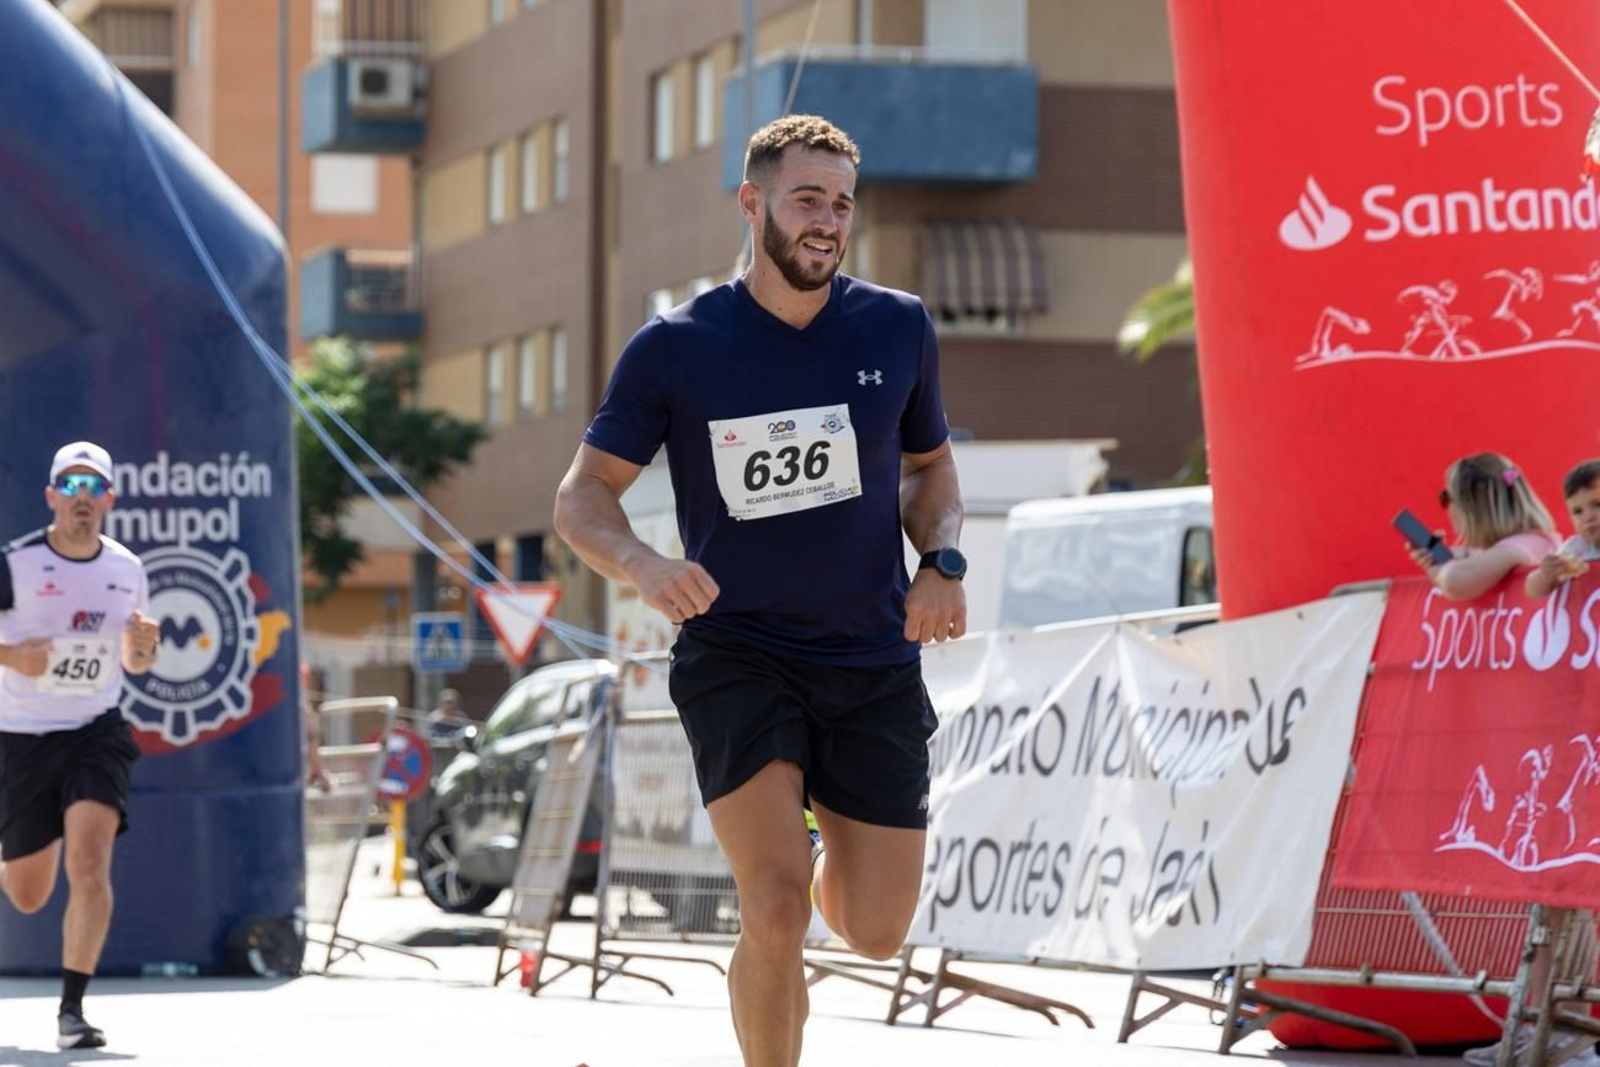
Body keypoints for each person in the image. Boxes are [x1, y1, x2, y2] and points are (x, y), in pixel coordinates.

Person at [553, 114, 965, 1067]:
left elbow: (931, 469)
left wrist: (940, 559)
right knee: (773, 910)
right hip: (737, 653)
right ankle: (779, 909)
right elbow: (582, 497)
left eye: (842, 205)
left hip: (869, 658)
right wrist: (645, 564)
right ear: (752, 203)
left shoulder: (897, 325)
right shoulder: (677, 345)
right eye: (806, 199)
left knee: (875, 931)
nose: (828, 221)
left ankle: (809, 877)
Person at [1403, 455, 1594, 1066]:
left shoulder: (1529, 545)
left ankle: (1567, 1033)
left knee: (1570, 896)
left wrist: (1442, 569)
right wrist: (1443, 563)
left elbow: (1463, 583)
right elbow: (1477, 575)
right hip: (1550, 745)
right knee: (1550, 900)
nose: (1588, 517)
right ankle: (1540, 1030)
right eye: (1582, 508)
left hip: (1568, 740)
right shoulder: (1546, 549)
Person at [0, 442, 159, 1050]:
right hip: (22, 736)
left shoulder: (127, 568)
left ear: (109, 499)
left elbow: (135, 662)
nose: (82, 497)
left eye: (93, 486)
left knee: (90, 862)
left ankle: (72, 1011)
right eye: (70, 485)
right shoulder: (15, 563)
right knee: (28, 894)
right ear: (51, 497)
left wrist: (144, 647)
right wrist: (14, 656)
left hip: (96, 730)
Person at [1407, 452, 1558, 599]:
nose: (1447, 508)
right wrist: (1441, 559)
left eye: (1446, 497)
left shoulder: (1526, 545)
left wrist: (1439, 569)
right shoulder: (1524, 543)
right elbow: (1473, 557)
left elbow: (1454, 581)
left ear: (1472, 509)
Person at [1526, 458, 1600, 599]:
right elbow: (1533, 592)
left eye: (1597, 504)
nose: (1588, 517)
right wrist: (1544, 575)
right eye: (1578, 512)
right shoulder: (1577, 549)